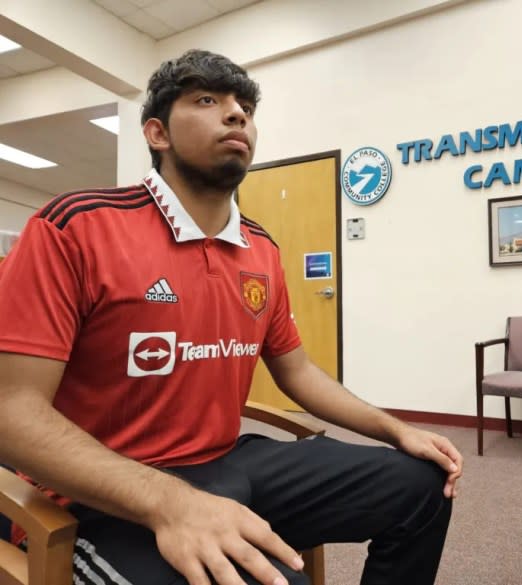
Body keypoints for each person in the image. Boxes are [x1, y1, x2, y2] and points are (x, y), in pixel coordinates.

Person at [0, 49, 462, 585]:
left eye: (245, 105)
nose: (237, 114)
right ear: (157, 133)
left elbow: (298, 372)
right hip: (98, 494)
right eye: (207, 100)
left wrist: (394, 429)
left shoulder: (260, 248)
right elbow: (12, 414)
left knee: (421, 486)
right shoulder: (76, 227)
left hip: (226, 462)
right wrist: (170, 503)